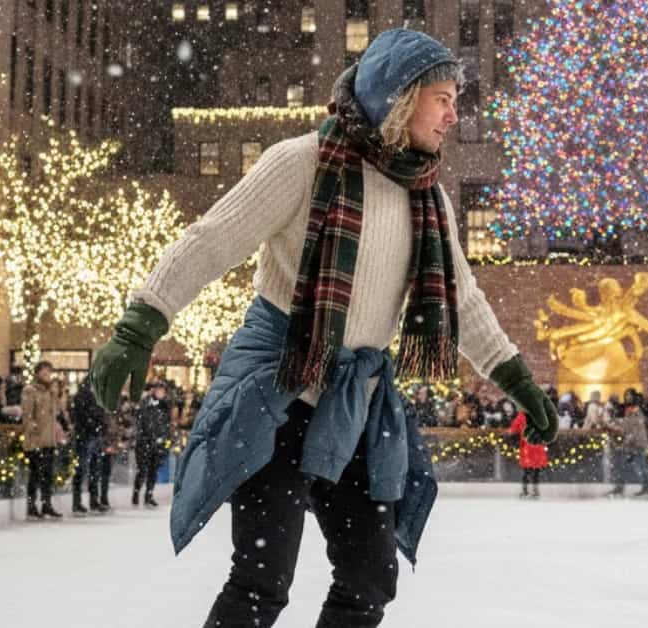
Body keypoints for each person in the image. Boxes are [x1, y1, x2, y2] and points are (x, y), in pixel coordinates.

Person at [88, 28, 557, 628]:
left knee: (369, 579)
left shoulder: (428, 200)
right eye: (441, 97)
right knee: (262, 580)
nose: (452, 113)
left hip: (354, 402)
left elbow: (463, 301)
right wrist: (139, 326)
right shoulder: (301, 163)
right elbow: (210, 242)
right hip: (278, 386)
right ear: (399, 97)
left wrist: (516, 380)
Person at [20, 361, 64, 520]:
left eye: (49, 373)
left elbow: (57, 412)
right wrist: (33, 428)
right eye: (44, 373)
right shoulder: (30, 390)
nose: (47, 376)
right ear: (37, 373)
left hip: (49, 439)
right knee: (35, 474)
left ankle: (47, 504)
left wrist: (57, 394)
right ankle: (31, 507)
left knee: (48, 475)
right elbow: (27, 414)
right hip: (36, 440)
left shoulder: (50, 391)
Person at [69, 376, 107, 515]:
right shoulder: (84, 396)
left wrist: (101, 427)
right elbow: (85, 416)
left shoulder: (97, 396)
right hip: (85, 436)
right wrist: (97, 425)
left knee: (94, 470)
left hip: (92, 436)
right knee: (82, 470)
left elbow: (100, 415)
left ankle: (92, 500)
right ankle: (78, 502)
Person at [132, 382, 172, 508]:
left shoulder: (164, 407)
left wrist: (164, 440)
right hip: (144, 443)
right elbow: (141, 422)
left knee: (153, 471)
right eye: (160, 390)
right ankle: (136, 493)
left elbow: (165, 425)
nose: (162, 393)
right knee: (142, 470)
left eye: (163, 391)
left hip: (157, 444)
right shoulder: (145, 404)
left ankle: (149, 495)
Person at [606, 389, 648, 498]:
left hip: (637, 445)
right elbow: (626, 424)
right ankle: (621, 488)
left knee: (640, 468)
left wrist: (628, 440)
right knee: (622, 467)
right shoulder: (630, 411)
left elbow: (634, 429)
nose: (627, 397)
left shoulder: (636, 411)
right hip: (631, 445)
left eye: (629, 395)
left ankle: (646, 489)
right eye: (626, 395)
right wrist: (613, 424)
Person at [507, 410, 548, 498]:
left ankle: (525, 490)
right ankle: (535, 490)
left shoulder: (522, 416)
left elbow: (513, 430)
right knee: (536, 469)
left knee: (527, 470)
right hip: (537, 446)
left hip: (527, 447)